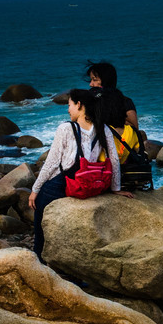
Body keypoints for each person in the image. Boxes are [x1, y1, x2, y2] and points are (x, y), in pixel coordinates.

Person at [29, 88, 133, 258]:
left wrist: (35, 190)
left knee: (40, 216)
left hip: (61, 184)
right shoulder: (102, 128)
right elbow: (113, 160)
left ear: (79, 105)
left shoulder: (66, 128)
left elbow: (52, 163)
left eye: (69, 105)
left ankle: (38, 258)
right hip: (85, 182)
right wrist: (115, 188)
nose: (68, 109)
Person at [84, 61, 139, 133]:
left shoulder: (124, 101)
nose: (91, 84)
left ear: (106, 81)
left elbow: (135, 128)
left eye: (94, 80)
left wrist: (113, 117)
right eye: (91, 80)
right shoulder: (91, 100)